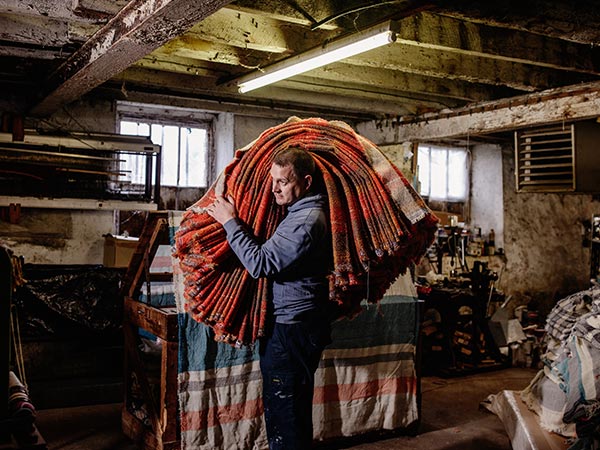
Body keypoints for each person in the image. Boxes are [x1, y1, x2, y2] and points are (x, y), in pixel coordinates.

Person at [205, 146, 332, 450]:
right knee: (286, 411)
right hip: (293, 325)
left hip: (293, 329)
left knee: (287, 415)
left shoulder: (306, 221)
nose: (274, 188)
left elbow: (260, 263)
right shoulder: (296, 213)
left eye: (284, 182)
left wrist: (229, 221)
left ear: (307, 182)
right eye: (273, 180)